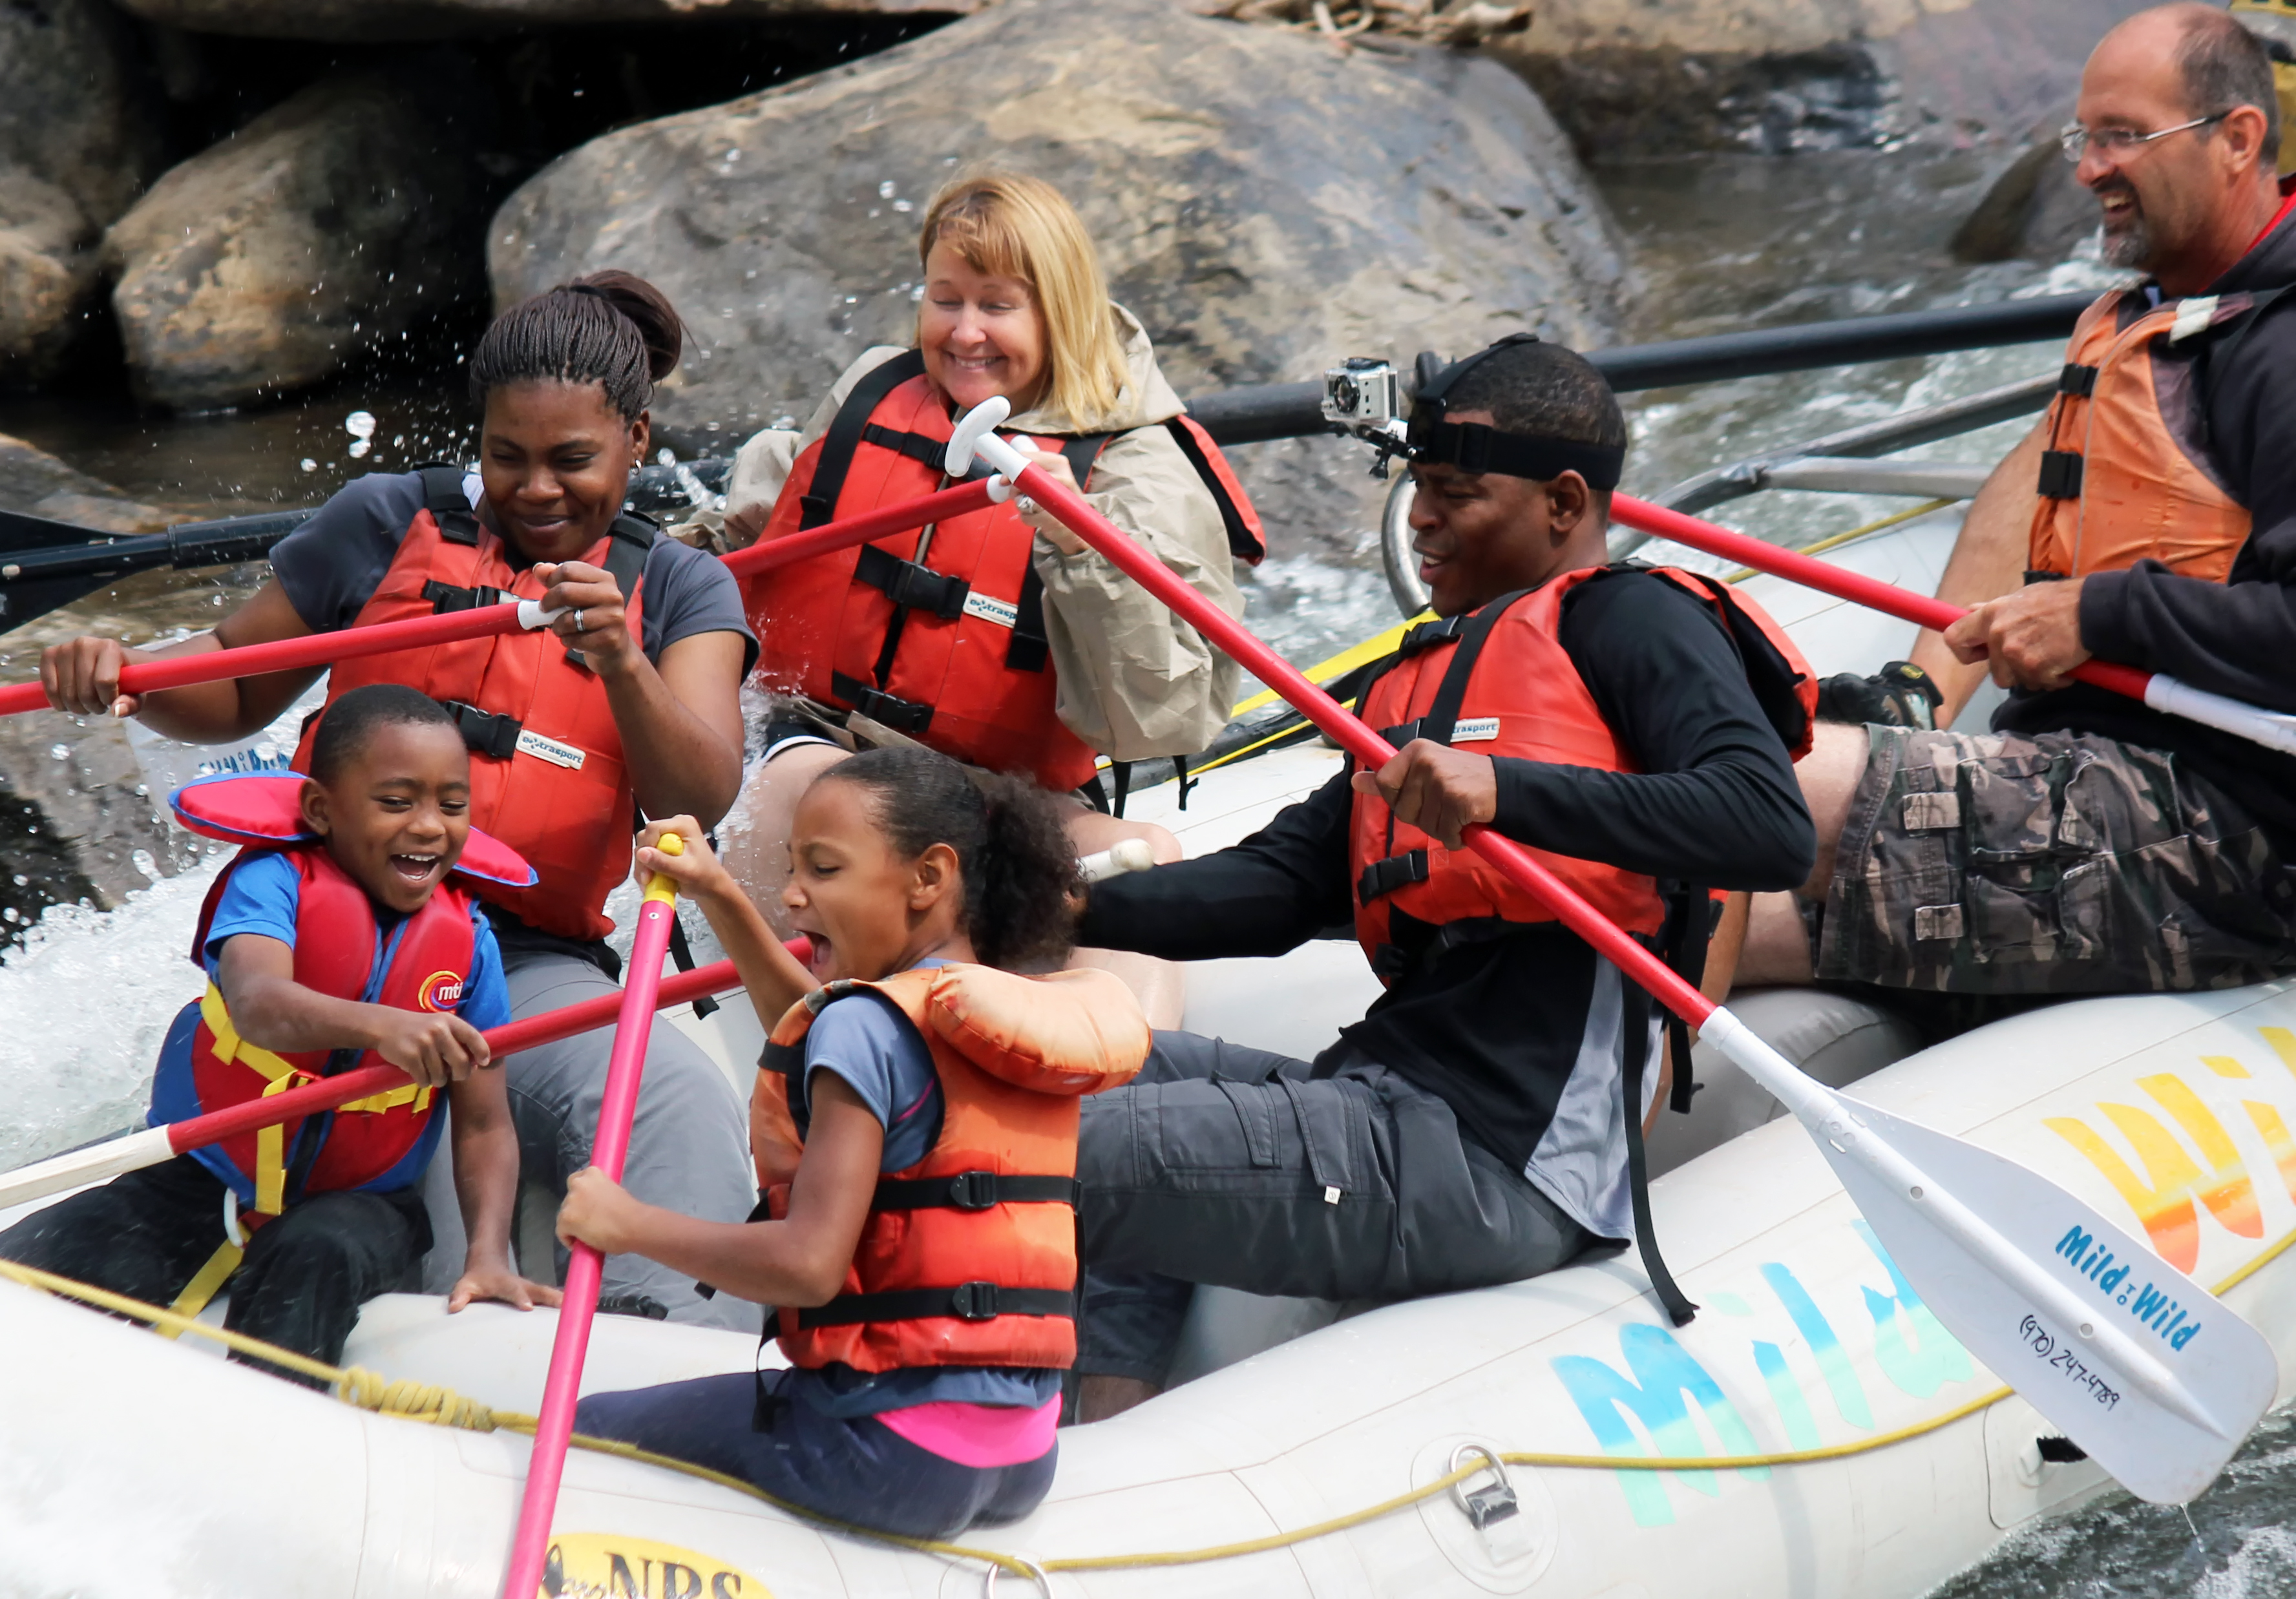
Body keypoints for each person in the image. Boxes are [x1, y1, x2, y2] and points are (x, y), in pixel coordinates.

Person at [1061, 338, 1819, 1420]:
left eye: (1455, 494)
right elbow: (1276, 885)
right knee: (1050, 1069)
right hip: (1376, 1100)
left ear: (1563, 503)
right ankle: (1106, 1422)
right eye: (1415, 490)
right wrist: (1059, 906)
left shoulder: (1632, 622)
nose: (1418, 521)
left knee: (1055, 1151)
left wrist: (1506, 790)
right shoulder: (1421, 677)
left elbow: (1762, 821)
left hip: (1497, 1165)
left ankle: (918, 1438)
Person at [34, 273, 763, 1328]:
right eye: (506, 457)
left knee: (672, 1093)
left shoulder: (683, 589)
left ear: (637, 439)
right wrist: (127, 678)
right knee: (379, 1146)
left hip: (521, 965)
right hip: (341, 938)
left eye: (571, 461)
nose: (537, 489)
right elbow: (236, 682)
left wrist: (621, 665)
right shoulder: (384, 520)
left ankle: (683, 1355)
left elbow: (696, 793)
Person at [1728, 4, 2296, 998]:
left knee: (1716, 792)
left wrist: (2098, 611)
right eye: (2083, 138)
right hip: (2088, 776)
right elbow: (2051, 464)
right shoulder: (2155, 316)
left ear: (2238, 139)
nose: (2087, 169)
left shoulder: (2283, 348)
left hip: (2225, 832)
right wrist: (1921, 693)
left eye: (2124, 136)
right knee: (1644, 895)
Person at [719, 171, 1269, 1027]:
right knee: (843, 805)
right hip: (819, 742)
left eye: (997, 306)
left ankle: (1114, 1128)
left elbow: (1160, 722)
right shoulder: (875, 387)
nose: (964, 331)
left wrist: (1080, 542)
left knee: (1142, 858)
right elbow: (763, 534)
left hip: (1001, 795)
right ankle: (831, 1075)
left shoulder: (1140, 469)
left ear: (1059, 313)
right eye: (946, 299)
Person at [558, 747, 1147, 1538]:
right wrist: (720, 892)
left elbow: (807, 1265)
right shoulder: (998, 1010)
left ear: (927, 878)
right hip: (1021, 1455)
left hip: (889, 1456)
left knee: (585, 1434)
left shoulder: (869, 1027)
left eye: (824, 870)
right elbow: (820, 1034)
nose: (794, 893)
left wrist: (624, 1225)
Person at [0, 687, 558, 1372]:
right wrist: (381, 1025)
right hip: (203, 1177)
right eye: (397, 802)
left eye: (452, 805)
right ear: (322, 809)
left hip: (361, 1208)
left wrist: (488, 1255)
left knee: (315, 1253)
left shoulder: (470, 943)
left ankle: (270, 1433)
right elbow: (256, 1001)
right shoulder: (269, 882)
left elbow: (485, 1124)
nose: (430, 827)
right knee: (29, 1272)